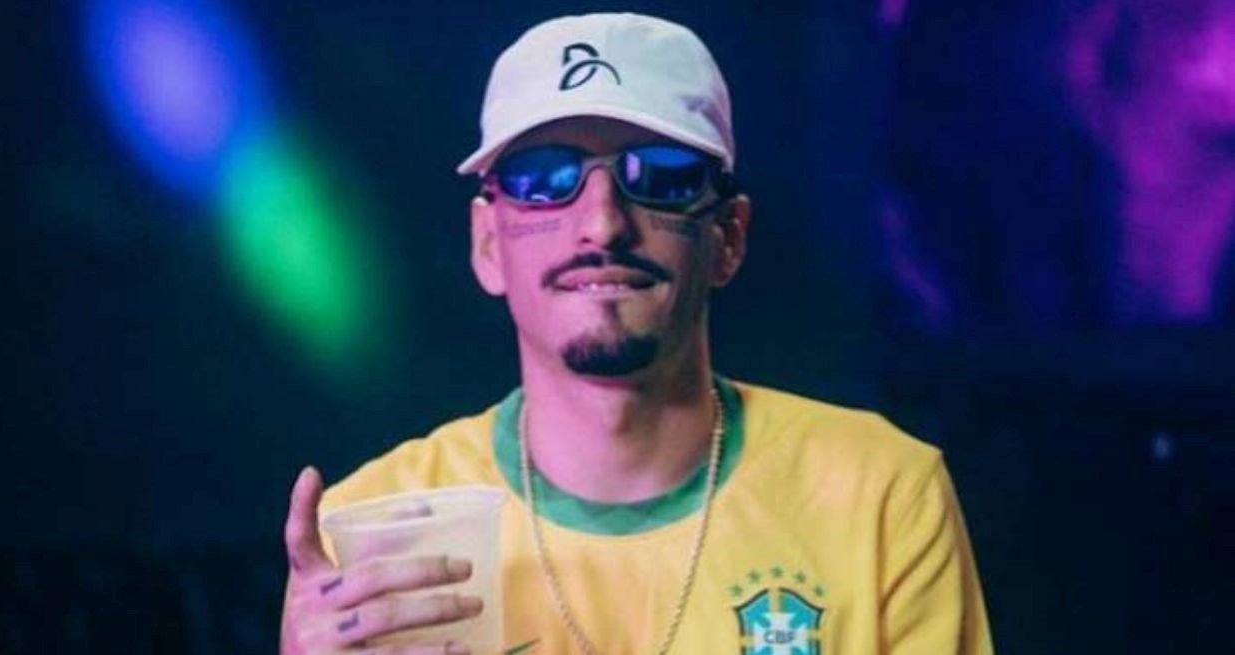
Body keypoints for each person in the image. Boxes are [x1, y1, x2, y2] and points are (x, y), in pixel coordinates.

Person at [281, 13, 992, 655]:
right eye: (543, 178)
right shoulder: (376, 534)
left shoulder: (880, 496)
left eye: (661, 175)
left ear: (728, 237)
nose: (602, 224)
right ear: (488, 242)